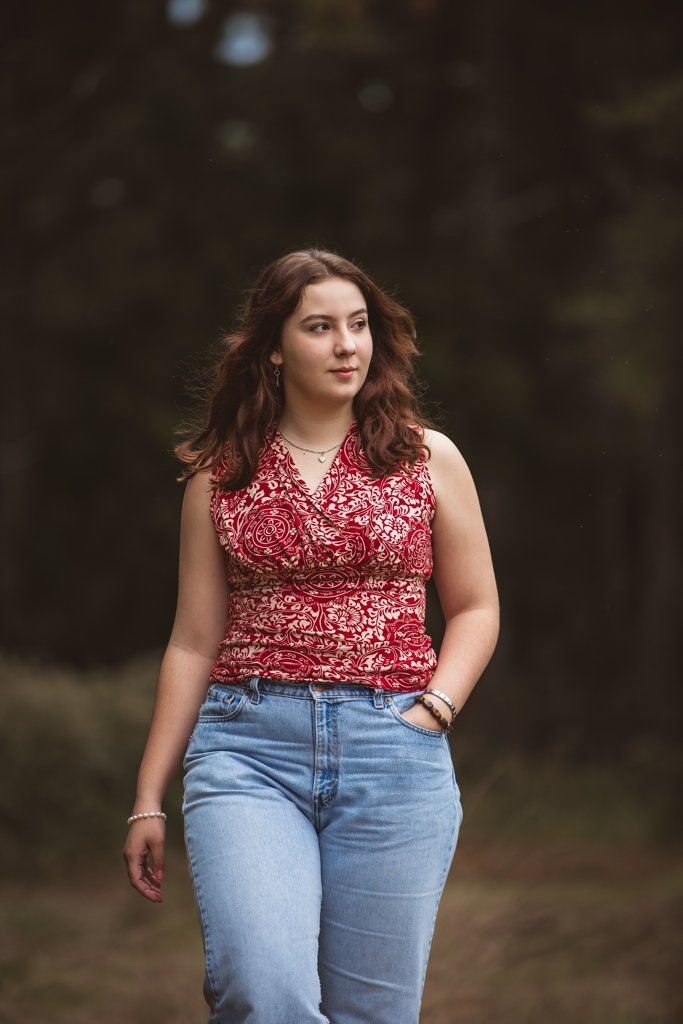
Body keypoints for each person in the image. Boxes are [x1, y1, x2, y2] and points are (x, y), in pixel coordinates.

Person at [122, 248, 499, 1023]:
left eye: (357, 325)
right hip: (247, 750)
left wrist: (434, 709)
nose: (346, 345)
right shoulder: (221, 474)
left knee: (372, 1014)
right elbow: (192, 641)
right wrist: (147, 797)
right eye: (319, 327)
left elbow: (475, 607)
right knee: (263, 993)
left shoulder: (427, 458)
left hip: (394, 750)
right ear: (273, 347)